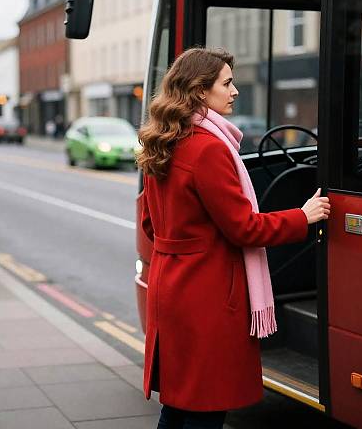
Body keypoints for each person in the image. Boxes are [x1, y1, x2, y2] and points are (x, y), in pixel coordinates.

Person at [137, 47, 330, 429]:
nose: (235, 90)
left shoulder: (165, 141)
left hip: (171, 288)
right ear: (199, 91)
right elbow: (244, 228)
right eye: (226, 83)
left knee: (179, 406)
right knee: (204, 412)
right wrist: (303, 216)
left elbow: (149, 225)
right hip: (205, 298)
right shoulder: (209, 149)